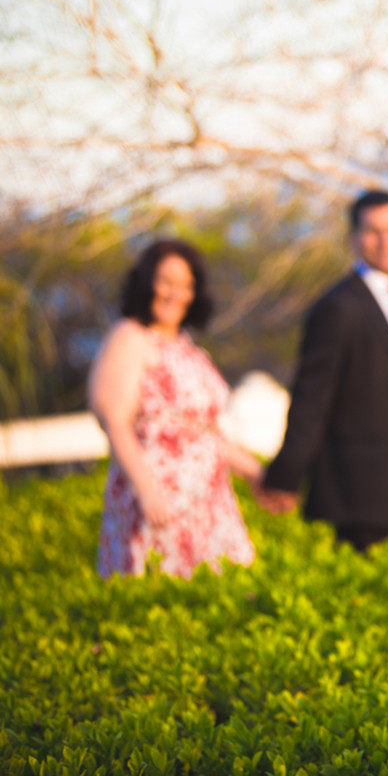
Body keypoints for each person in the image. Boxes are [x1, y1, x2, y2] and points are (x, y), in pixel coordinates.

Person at [258, 190, 388, 551]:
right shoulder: (338, 307)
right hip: (360, 497)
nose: (386, 240)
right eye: (373, 231)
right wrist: (284, 477)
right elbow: (311, 399)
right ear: (353, 237)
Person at [90, 238, 263, 578]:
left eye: (185, 285)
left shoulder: (187, 347)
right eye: (165, 281)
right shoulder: (130, 337)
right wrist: (148, 492)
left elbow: (204, 433)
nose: (174, 293)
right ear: (146, 283)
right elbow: (115, 420)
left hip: (209, 505)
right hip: (158, 504)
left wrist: (257, 474)